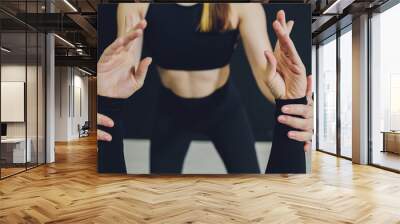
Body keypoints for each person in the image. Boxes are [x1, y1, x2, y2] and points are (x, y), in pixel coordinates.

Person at [97, 3, 313, 174]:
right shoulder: (136, 6)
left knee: (249, 184)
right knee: (160, 191)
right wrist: (105, 98)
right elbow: (124, 73)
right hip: (171, 110)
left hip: (223, 109)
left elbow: (268, 77)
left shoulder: (242, 7)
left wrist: (294, 103)